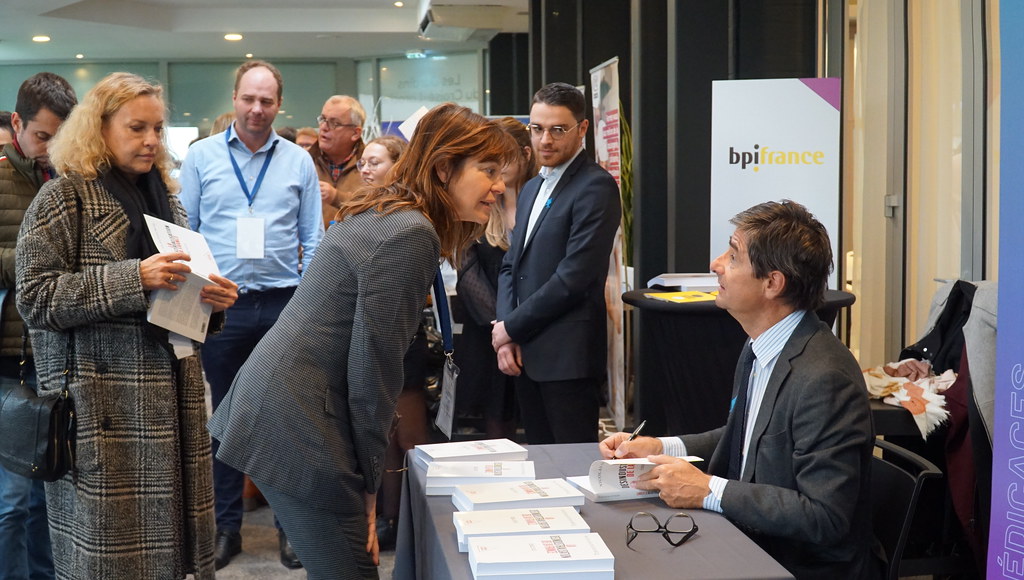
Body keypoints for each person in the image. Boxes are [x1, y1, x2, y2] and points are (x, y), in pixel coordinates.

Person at [208, 102, 516, 579]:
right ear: (443, 167)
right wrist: (370, 488)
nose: (498, 185)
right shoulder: (409, 232)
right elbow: (373, 369)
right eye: (488, 170)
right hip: (297, 423)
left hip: (283, 409)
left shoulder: (391, 212)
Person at [15, 72, 239, 580]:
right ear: (98, 127)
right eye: (137, 128)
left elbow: (178, 295)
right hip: (101, 416)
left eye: (158, 129)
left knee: (169, 560)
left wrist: (213, 300)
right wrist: (131, 278)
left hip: (172, 405)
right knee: (109, 563)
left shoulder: (167, 199)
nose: (151, 141)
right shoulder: (62, 199)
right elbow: (34, 298)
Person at [600, 200, 879, 579]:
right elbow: (745, 438)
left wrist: (707, 490)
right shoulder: (760, 344)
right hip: (749, 542)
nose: (716, 264)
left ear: (772, 283)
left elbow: (824, 516)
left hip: (794, 565)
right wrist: (660, 446)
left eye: (733, 256)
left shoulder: (824, 378)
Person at [178, 59, 323, 571]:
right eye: (249, 98)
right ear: (234, 99)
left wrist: (308, 303)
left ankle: (290, 530)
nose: (257, 109)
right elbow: (187, 231)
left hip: (284, 305)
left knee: (285, 420)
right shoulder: (201, 157)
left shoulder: (298, 161)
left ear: (278, 104)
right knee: (223, 421)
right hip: (222, 305)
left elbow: (314, 237)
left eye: (267, 100)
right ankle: (226, 528)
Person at [491, 82, 622, 444]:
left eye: (557, 129)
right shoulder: (532, 186)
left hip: (568, 359)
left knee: (573, 469)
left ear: (582, 129)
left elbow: (574, 277)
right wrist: (507, 332)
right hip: (525, 352)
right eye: (537, 129)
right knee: (540, 464)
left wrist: (512, 327)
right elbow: (510, 265)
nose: (545, 140)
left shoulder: (595, 187)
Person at [1, 72, 76, 580]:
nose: (51, 149)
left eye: (61, 138)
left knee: (49, 497)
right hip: (9, 359)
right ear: (16, 124)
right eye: (43, 136)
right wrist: (33, 261)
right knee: (11, 503)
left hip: (57, 359)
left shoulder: (71, 184)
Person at [350, 133, 418, 550]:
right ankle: (385, 520)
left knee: (406, 437)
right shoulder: (355, 214)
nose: (365, 168)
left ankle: (403, 520)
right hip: (369, 337)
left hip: (403, 336)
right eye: (363, 161)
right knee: (378, 435)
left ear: (399, 166)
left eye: (375, 161)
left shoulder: (409, 224)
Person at [455, 117, 536, 439]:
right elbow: (467, 272)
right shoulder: (480, 204)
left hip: (535, 328)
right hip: (488, 332)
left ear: (525, 155)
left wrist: (521, 326)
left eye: (506, 157)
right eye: (491, 162)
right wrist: (503, 330)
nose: (499, 170)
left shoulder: (540, 201)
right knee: (495, 424)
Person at [310, 95, 365, 229]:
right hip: (313, 249)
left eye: (334, 123)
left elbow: (378, 209)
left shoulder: (371, 166)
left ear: (355, 133)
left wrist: (336, 197)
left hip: (358, 247)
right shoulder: (305, 162)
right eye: (323, 119)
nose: (323, 127)